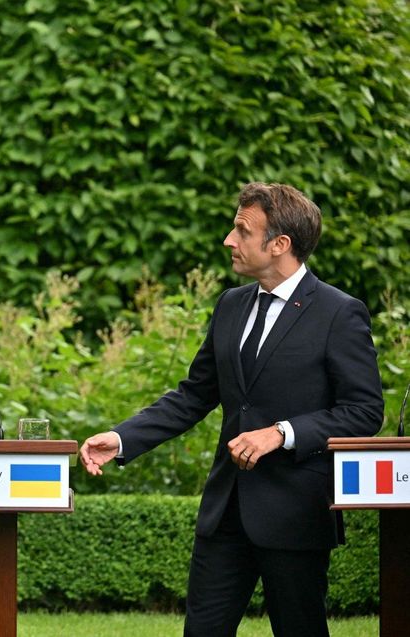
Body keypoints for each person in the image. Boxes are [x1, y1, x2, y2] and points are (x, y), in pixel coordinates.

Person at [79, 182, 384, 637]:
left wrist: (280, 432)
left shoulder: (340, 313)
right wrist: (123, 438)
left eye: (242, 230)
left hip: (297, 514)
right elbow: (194, 395)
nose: (229, 239)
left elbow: (364, 411)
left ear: (279, 244)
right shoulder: (231, 304)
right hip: (225, 512)